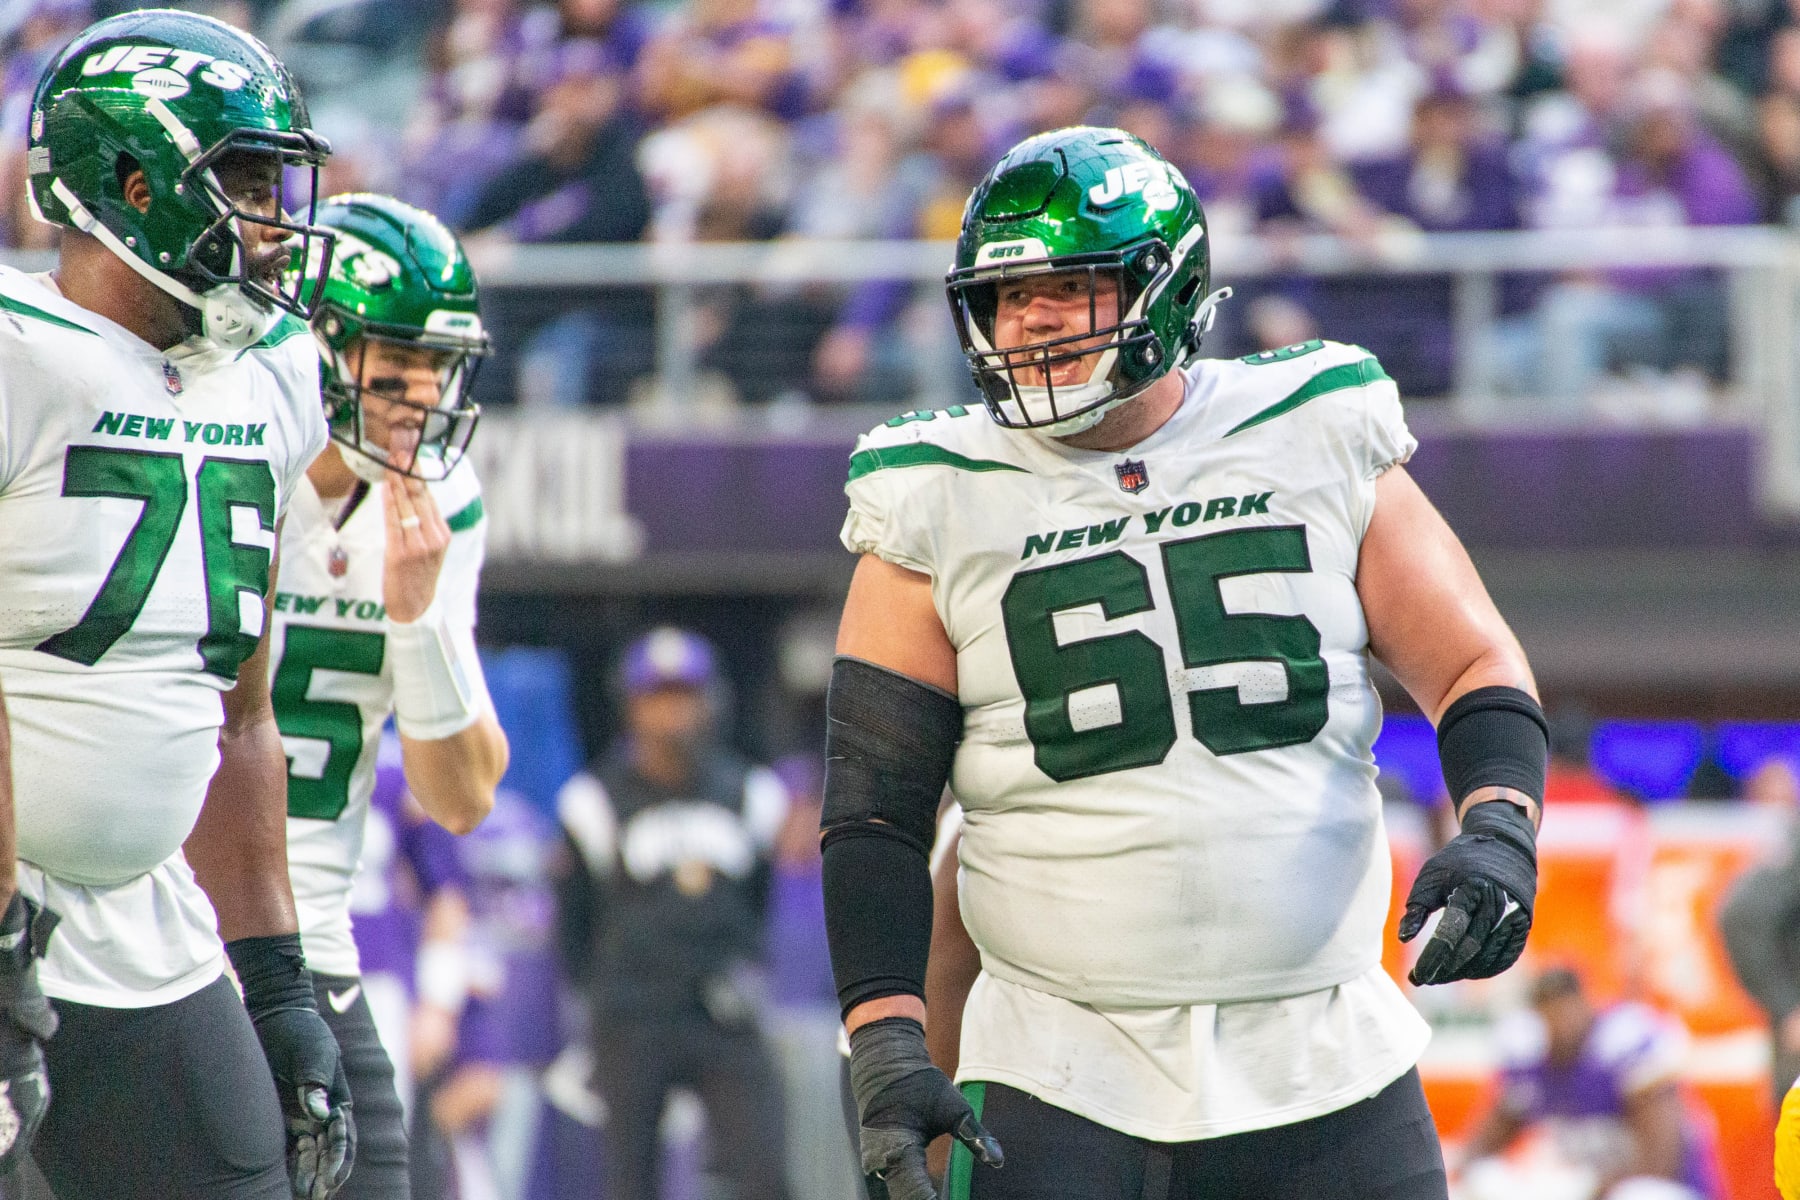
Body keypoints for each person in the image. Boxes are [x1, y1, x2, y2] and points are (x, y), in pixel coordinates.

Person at [823, 126, 1547, 1200]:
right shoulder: (933, 491)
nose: (1031, 319)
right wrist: (887, 1041)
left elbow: (1472, 659)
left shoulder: (1312, 424)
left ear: (1166, 286)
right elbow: (877, 809)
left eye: (1068, 284)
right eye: (1007, 295)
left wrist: (1499, 823)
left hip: (1324, 1054)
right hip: (1057, 1066)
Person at [1, 10, 354, 1197]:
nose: (274, 224)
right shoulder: (17, 353)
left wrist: (279, 982)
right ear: (132, 180)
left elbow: (241, 714)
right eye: (244, 183)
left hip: (142, 927)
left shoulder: (270, 380)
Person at [274, 191, 510, 1200]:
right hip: (168, 933)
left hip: (315, 943)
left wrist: (417, 620)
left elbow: (461, 799)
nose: (420, 401)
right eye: (396, 367)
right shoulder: (242, 460)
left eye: (437, 372)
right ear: (323, 348)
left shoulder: (443, 501)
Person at [553, 627, 794, 1200]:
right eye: (657, 696)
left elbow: (761, 899)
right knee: (629, 1179)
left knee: (764, 1171)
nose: (672, 713)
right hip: (632, 1011)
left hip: (723, 1005)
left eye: (684, 694)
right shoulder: (591, 799)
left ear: (710, 701)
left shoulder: (751, 791)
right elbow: (575, 925)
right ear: (631, 705)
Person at [1460, 968, 1721, 1199]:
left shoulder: (1624, 1043)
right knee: (1484, 1182)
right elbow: (1484, 1143)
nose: (1560, 1023)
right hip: (1587, 1185)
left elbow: (1660, 1162)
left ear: (1584, 1002)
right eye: (1549, 1013)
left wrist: (1587, 1190)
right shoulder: (1529, 1056)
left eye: (1565, 1008)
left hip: (1663, 1188)